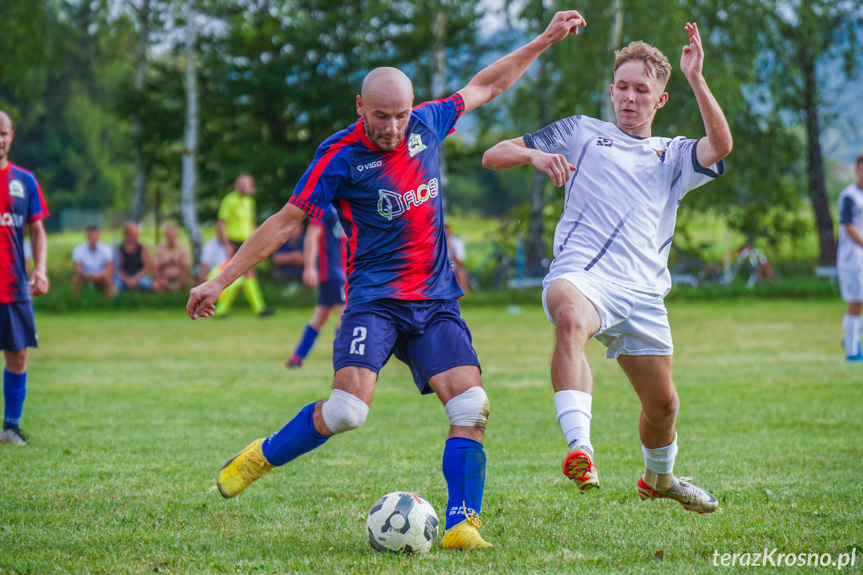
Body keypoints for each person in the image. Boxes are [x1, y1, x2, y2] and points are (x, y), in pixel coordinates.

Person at [187, 10, 586, 551]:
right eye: (381, 116)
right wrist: (221, 279)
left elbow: (486, 85)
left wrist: (543, 39)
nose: (394, 127)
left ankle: (462, 522)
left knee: (471, 407)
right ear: (360, 107)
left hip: (436, 300)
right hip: (374, 302)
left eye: (400, 115)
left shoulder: (427, 123)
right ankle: (262, 455)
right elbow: (284, 222)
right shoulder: (339, 156)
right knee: (348, 411)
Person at [482, 23, 732, 513]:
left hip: (642, 293)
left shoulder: (674, 154)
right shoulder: (581, 132)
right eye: (622, 87)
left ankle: (659, 480)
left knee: (663, 408)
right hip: (581, 274)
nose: (630, 97)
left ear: (660, 101)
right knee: (570, 319)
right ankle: (580, 448)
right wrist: (535, 155)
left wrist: (696, 78)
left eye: (643, 90)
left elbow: (720, 146)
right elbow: (494, 154)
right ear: (611, 91)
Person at [0, 110, 50, 446]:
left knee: (17, 354)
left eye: (2, 133)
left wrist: (41, 269)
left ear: (11, 135)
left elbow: (37, 229)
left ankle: (9, 427)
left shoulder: (24, 181)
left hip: (13, 286)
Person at [286, 206, 347, 368]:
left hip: (339, 271)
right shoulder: (326, 207)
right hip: (333, 273)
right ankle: (344, 362)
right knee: (347, 317)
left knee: (320, 317)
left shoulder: (344, 206)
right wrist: (310, 267)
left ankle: (296, 358)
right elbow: (312, 236)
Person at [215, 174, 273, 317]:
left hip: (246, 243)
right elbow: (222, 223)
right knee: (239, 274)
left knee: (243, 275)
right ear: (237, 185)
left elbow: (251, 222)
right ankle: (259, 308)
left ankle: (222, 310)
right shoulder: (229, 200)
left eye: (248, 184)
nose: (246, 187)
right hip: (234, 242)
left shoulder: (250, 201)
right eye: (243, 184)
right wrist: (226, 243)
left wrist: (256, 240)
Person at [837, 153, 863, 363]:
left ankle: (851, 337)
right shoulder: (850, 195)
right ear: (856, 171)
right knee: (856, 303)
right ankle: (852, 351)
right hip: (852, 258)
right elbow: (848, 226)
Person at [72, 225, 114, 297]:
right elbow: (77, 269)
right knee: (76, 280)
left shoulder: (106, 249)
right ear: (86, 235)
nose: (92, 237)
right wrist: (86, 275)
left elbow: (109, 269)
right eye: (90, 235)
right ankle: (76, 302)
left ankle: (109, 303)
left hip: (101, 276)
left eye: (94, 235)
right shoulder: (79, 249)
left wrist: (98, 276)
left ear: (98, 235)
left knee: (108, 281)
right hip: (85, 276)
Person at [115, 221, 152, 292]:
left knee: (146, 284)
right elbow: (118, 269)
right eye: (134, 234)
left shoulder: (143, 248)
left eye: (138, 234)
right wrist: (127, 280)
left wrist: (136, 278)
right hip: (125, 276)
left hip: (139, 276)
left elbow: (147, 268)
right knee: (117, 285)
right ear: (127, 235)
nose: (137, 236)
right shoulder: (120, 250)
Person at [153, 224, 190, 292]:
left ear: (176, 236)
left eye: (173, 236)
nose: (171, 238)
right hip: (163, 278)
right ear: (165, 236)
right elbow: (155, 268)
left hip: (178, 279)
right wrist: (161, 280)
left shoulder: (182, 250)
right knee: (155, 286)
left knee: (186, 284)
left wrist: (180, 282)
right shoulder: (160, 250)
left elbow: (185, 268)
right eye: (169, 236)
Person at [445, 224, 470, 293]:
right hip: (443, 264)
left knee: (458, 270)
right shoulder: (438, 242)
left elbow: (459, 261)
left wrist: (451, 248)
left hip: (451, 264)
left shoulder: (456, 242)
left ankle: (462, 292)